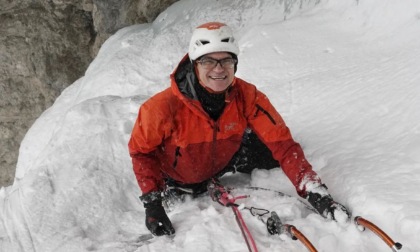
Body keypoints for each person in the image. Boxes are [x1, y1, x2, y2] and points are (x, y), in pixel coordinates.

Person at [128, 22, 350, 236]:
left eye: (226, 60)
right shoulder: (161, 108)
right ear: (195, 64)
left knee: (272, 152)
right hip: (177, 178)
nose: (218, 69)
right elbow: (141, 151)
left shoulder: (247, 96)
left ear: (235, 64)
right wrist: (152, 202)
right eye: (208, 61)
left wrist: (315, 192)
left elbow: (282, 143)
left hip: (225, 159)